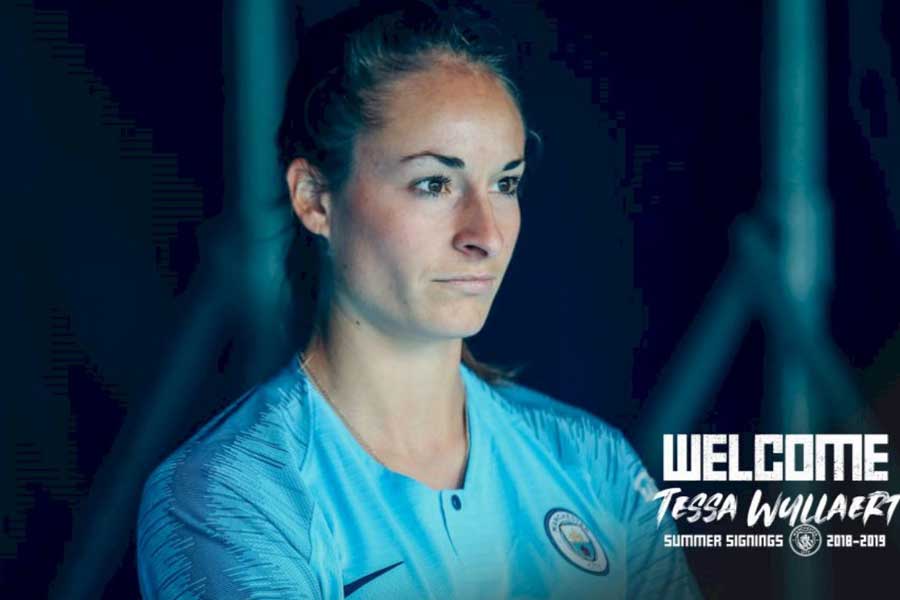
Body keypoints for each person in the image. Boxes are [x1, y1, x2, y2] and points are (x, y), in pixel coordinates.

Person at [136, 1, 702, 598]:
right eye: (434, 183)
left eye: (504, 183)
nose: (485, 235)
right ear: (315, 199)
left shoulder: (592, 462)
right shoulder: (229, 493)